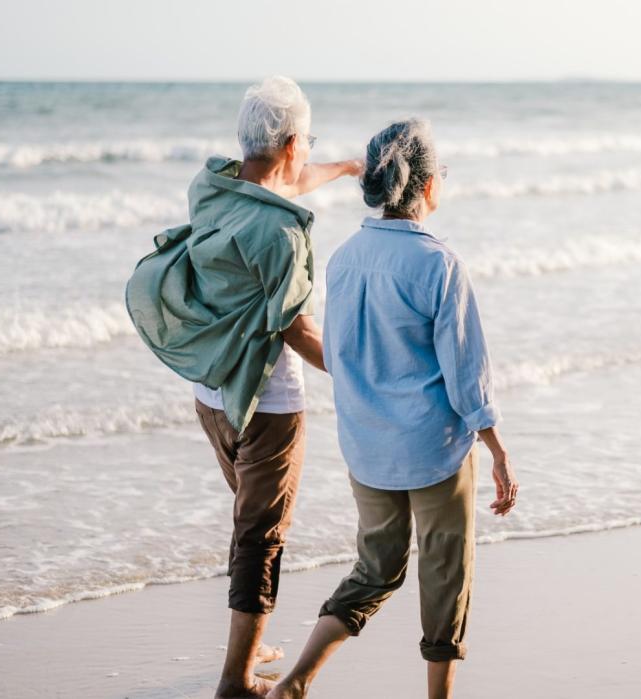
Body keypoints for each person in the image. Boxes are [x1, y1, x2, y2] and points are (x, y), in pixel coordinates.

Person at [125, 76, 361, 699]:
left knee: (249, 527)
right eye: (307, 142)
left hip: (212, 397)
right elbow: (297, 330)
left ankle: (248, 647)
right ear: (288, 144)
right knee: (262, 537)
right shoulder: (282, 236)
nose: (308, 151)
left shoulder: (213, 186)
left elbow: (282, 185)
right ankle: (235, 681)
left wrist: (342, 169)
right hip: (268, 407)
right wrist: (359, 369)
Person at [268, 119, 519, 699]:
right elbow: (466, 376)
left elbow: (343, 357)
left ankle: (297, 680)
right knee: (444, 577)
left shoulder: (345, 258)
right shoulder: (439, 265)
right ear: (428, 186)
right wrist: (499, 452)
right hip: (433, 451)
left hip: (367, 448)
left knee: (376, 570)